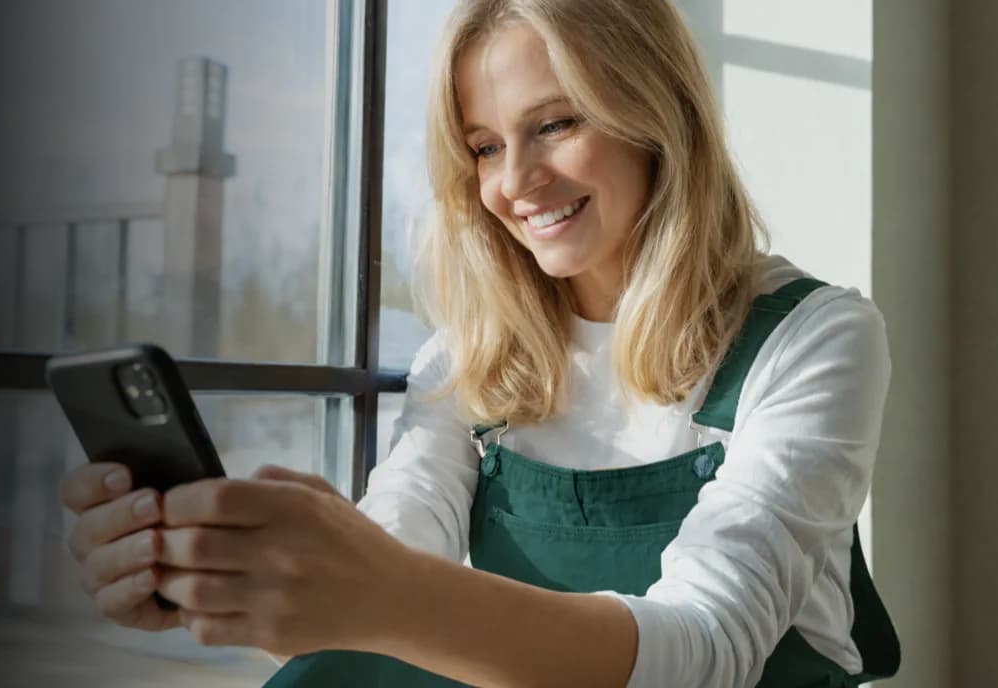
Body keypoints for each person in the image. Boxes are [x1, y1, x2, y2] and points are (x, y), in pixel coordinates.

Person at [58, 0, 902, 685]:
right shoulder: (470, 356)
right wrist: (231, 584)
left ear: (656, 117)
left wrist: (378, 591)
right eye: (484, 147)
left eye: (557, 124)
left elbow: (712, 650)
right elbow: (377, 617)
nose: (514, 183)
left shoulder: (816, 337)